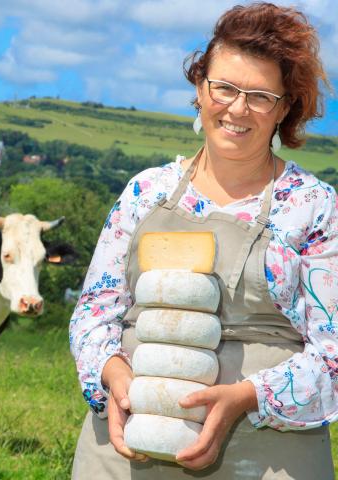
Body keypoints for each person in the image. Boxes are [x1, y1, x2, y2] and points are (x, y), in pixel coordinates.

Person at [69, 3, 336, 479]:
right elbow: (93, 314)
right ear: (200, 89)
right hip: (129, 441)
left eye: (259, 95)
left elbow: (335, 352)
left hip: (268, 452)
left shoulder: (314, 208)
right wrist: (114, 378)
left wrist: (243, 398)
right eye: (225, 88)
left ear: (285, 108)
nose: (237, 107)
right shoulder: (144, 192)